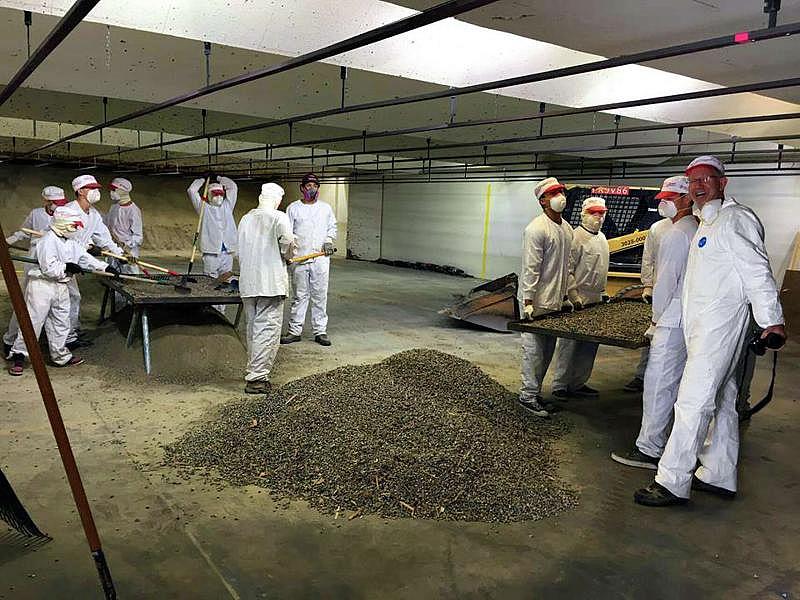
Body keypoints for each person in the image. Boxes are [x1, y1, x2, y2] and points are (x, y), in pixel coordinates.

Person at [635, 156, 786, 506]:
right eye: (693, 181)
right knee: (721, 401)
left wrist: (771, 320)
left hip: (720, 327)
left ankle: (671, 481)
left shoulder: (736, 218)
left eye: (706, 179)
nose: (699, 186)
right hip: (703, 327)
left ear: (723, 183)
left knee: (692, 401)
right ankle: (719, 473)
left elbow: (757, 272)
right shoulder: (708, 223)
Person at [611, 176, 697, 469]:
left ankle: (649, 449)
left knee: (658, 384)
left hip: (671, 321)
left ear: (686, 199)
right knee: (676, 385)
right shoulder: (695, 228)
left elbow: (665, 283)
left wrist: (655, 319)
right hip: (689, 319)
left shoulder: (676, 234)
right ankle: (669, 442)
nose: (663, 203)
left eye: (670, 198)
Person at [7, 205, 119, 375]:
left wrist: (104, 267)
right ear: (63, 224)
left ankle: (60, 355)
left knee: (61, 322)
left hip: (61, 286)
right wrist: (66, 267)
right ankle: (19, 355)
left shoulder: (70, 241)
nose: (76, 230)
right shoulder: (46, 241)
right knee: (33, 321)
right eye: (74, 226)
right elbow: (49, 268)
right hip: (42, 286)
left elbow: (83, 257)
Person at [518, 177, 574, 418]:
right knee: (533, 351)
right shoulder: (536, 229)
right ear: (542, 201)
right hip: (537, 302)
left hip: (555, 301)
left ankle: (536, 391)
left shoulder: (567, 228)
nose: (560, 196)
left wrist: (568, 295)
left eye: (561, 191)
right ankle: (527, 396)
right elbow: (530, 267)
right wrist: (528, 300)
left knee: (547, 350)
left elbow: (567, 265)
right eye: (553, 193)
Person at [237, 183, 296, 394]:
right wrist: (289, 256)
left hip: (249, 283)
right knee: (267, 330)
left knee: (253, 329)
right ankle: (257, 379)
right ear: (277, 200)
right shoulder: (279, 217)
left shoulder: (245, 218)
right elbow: (288, 244)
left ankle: (253, 370)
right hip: (270, 283)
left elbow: (240, 250)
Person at [551, 196, 609, 399]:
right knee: (570, 344)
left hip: (596, 298)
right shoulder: (575, 238)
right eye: (594, 213)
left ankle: (578, 383)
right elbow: (567, 270)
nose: (598, 217)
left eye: (601, 213)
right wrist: (573, 296)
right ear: (583, 215)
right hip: (580, 298)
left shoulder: (602, 238)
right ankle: (560, 384)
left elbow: (601, 269)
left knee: (589, 346)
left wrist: (603, 293)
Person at [3, 186, 68, 355]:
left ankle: (59, 343)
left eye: (60, 203)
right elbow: (24, 232)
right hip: (34, 262)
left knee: (60, 304)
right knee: (26, 302)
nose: (57, 206)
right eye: (54, 203)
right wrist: (7, 242)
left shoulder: (65, 214)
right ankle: (11, 340)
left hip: (56, 263)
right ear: (46, 201)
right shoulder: (36, 213)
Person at [64, 175, 124, 349]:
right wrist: (100, 264)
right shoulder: (69, 212)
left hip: (75, 262)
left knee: (72, 298)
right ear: (81, 191)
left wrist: (119, 253)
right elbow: (72, 246)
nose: (97, 192)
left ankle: (70, 332)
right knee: (67, 300)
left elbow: (103, 237)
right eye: (92, 188)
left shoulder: (93, 213)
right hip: (61, 262)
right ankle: (66, 338)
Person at [281, 173, 337, 347]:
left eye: (315, 186)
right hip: (299, 259)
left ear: (318, 188)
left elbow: (332, 227)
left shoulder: (326, 208)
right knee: (300, 296)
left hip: (320, 259)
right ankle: (294, 331)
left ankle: (320, 331)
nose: (312, 188)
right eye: (308, 185)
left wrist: (328, 241)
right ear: (302, 188)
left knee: (320, 296)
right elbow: (287, 233)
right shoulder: (293, 208)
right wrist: (288, 254)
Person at [624, 216, 671, 393]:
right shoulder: (657, 228)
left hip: (684, 297)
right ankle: (642, 376)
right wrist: (648, 285)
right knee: (653, 336)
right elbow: (648, 258)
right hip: (660, 291)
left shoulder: (696, 225)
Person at [187, 175, 238, 278]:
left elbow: (233, 187)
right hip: (211, 252)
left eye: (221, 194)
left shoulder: (228, 205)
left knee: (226, 279)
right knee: (210, 280)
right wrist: (202, 179)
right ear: (209, 195)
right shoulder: (203, 208)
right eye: (215, 194)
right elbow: (192, 190)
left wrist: (219, 178)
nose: (219, 197)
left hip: (227, 252)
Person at [105, 177, 143, 275]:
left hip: (128, 253)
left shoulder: (133, 211)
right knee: (113, 274)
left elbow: (138, 236)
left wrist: (127, 245)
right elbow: (107, 224)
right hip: (114, 249)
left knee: (129, 277)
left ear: (122, 191)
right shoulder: (114, 207)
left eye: (114, 190)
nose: (111, 192)